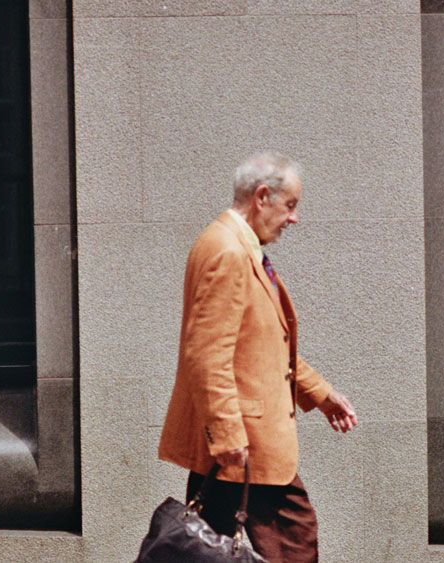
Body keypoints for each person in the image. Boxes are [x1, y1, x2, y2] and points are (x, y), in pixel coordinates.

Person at [158, 152, 357, 562]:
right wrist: (228, 435)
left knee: (205, 550)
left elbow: (264, 346)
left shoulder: (237, 245)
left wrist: (320, 393)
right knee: (295, 542)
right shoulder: (228, 251)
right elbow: (207, 355)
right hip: (245, 442)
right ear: (262, 196)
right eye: (291, 205)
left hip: (237, 443)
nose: (294, 218)